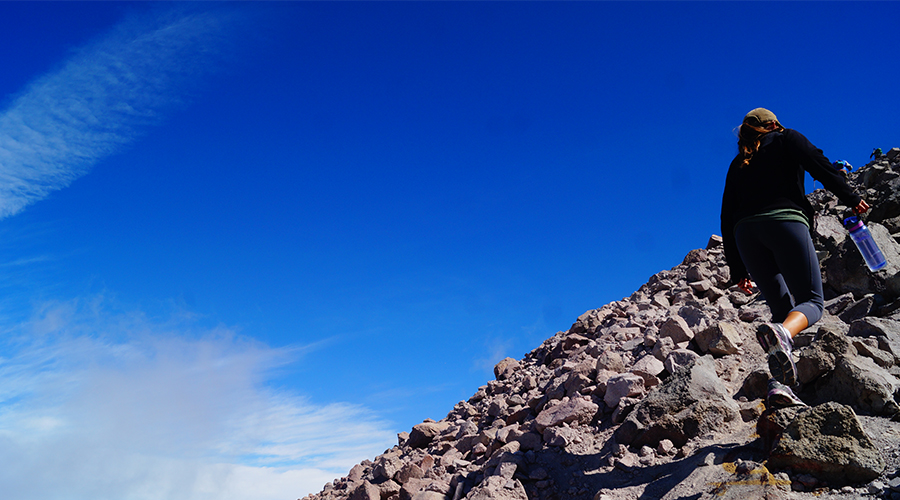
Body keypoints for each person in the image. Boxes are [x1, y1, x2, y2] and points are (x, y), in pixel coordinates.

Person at [720, 108, 870, 406]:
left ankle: (780, 387)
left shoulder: (738, 162)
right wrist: (852, 199)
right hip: (784, 222)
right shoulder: (788, 138)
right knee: (812, 302)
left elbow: (726, 215)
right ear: (773, 124)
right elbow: (821, 167)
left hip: (745, 235)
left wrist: (737, 270)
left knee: (782, 311)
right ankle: (783, 335)